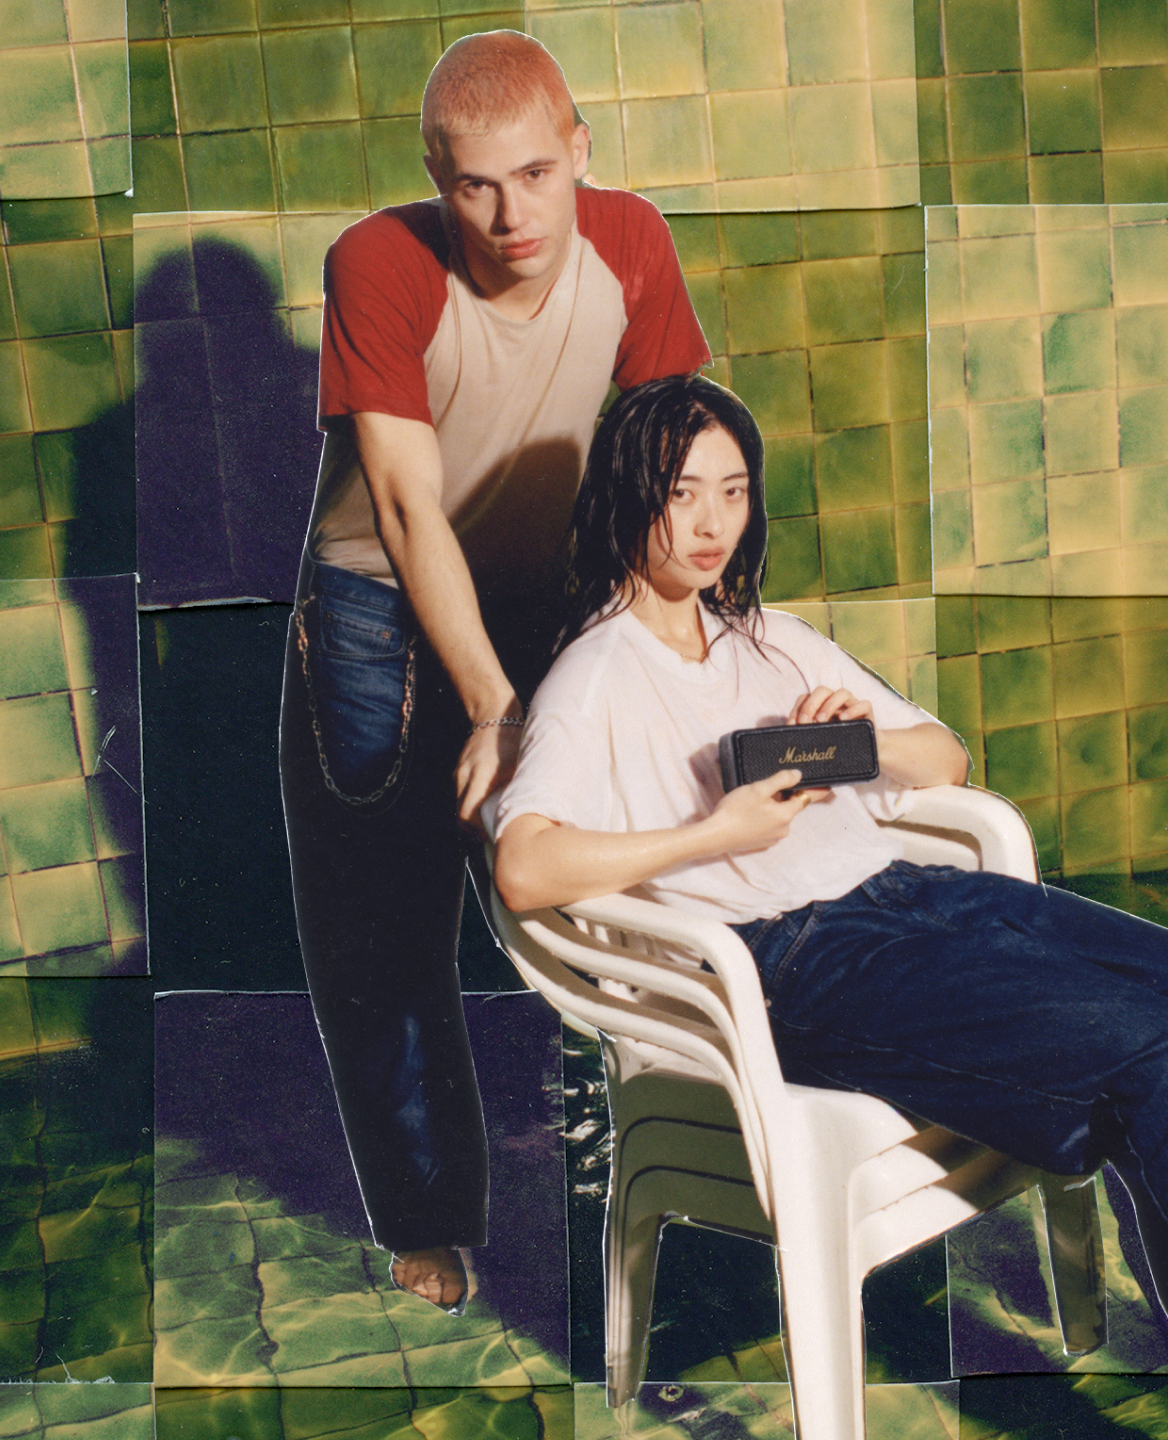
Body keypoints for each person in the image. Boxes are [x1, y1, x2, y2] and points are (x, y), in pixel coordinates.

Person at [489, 375, 1168, 1440]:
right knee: (1162, 1056)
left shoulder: (771, 638)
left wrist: (859, 745)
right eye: (682, 493)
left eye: (734, 491)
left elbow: (944, 755)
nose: (712, 524)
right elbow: (524, 867)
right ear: (629, 497)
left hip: (923, 901)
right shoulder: (597, 673)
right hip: (807, 964)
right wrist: (717, 836)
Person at [281, 31, 710, 1312]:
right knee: (383, 922)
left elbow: (665, 471)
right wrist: (495, 706)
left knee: (629, 889)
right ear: (435, 176)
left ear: (579, 150)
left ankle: (659, 1173)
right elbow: (410, 510)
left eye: (536, 173)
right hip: (381, 614)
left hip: (559, 598)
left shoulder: (630, 242)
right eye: (476, 185)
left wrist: (670, 665)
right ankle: (428, 1214)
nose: (512, 213)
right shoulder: (381, 262)